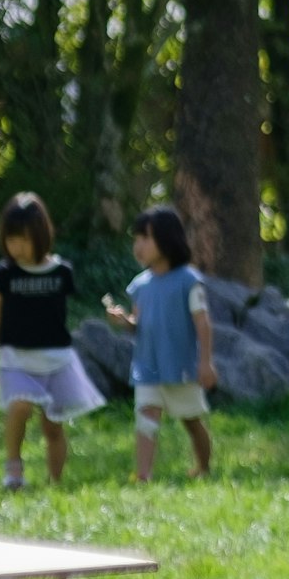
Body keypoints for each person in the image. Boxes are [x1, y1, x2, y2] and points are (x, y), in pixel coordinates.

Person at [0, 192, 103, 489]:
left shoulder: (62, 272)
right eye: (11, 240)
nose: (17, 247)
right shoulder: (3, 275)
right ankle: (13, 468)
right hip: (16, 359)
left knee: (53, 425)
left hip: (56, 361)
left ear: (41, 235)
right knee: (20, 407)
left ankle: (55, 481)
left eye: (23, 239)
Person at [106, 204, 218, 484]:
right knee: (146, 416)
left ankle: (203, 468)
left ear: (167, 240)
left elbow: (203, 323)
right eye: (136, 239)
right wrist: (125, 322)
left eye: (145, 238)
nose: (138, 245)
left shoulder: (189, 281)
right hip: (147, 365)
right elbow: (139, 324)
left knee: (191, 420)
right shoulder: (139, 286)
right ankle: (143, 475)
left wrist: (205, 363)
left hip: (180, 365)